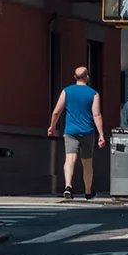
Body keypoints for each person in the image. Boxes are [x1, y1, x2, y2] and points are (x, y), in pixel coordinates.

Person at [47, 66, 106, 199]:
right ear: (87, 77)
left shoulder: (66, 91)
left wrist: (52, 126)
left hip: (71, 131)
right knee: (87, 162)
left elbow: (56, 111)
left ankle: (68, 186)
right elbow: (96, 115)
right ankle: (88, 191)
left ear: (75, 77)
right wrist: (101, 134)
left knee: (70, 159)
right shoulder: (93, 94)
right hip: (87, 131)